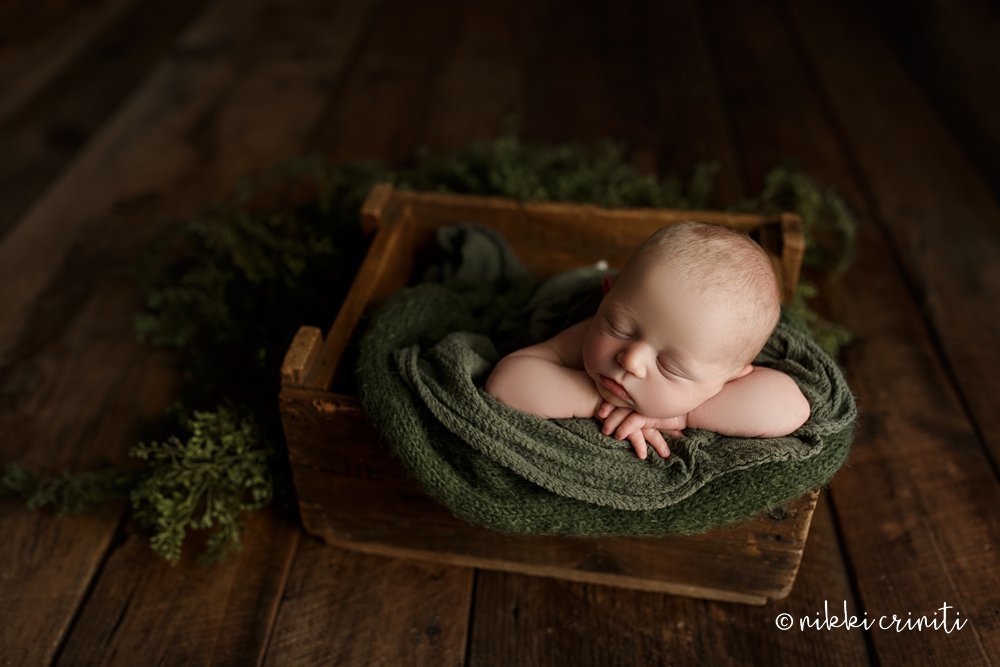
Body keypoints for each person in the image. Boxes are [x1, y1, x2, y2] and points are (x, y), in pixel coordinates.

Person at [484, 221, 811, 460]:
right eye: (619, 327)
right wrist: (601, 405)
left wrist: (677, 416)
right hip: (571, 285)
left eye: (671, 366)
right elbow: (508, 382)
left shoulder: (714, 364)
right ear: (606, 299)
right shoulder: (588, 329)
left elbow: (790, 408)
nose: (630, 360)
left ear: (730, 378)